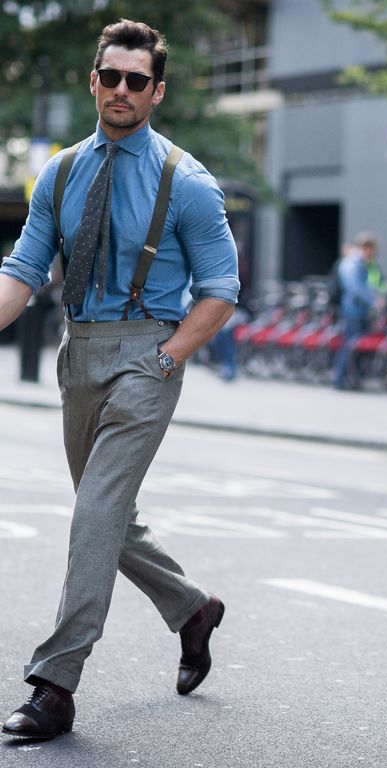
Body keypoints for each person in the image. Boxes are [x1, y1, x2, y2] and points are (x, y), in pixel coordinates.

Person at [0, 20, 238, 740]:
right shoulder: (63, 173)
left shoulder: (187, 181)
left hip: (148, 356)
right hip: (82, 353)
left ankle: (55, 683)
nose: (123, 90)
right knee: (109, 516)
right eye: (112, 77)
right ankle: (192, 610)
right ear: (93, 81)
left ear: (157, 91)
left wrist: (166, 360)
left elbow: (221, 290)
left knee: (94, 513)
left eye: (138, 80)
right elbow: (23, 271)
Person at [333, 231, 379, 390]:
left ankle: (350, 379)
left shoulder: (359, 262)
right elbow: (356, 287)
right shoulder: (354, 262)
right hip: (354, 309)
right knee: (350, 344)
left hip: (356, 308)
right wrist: (373, 301)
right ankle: (341, 380)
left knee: (353, 345)